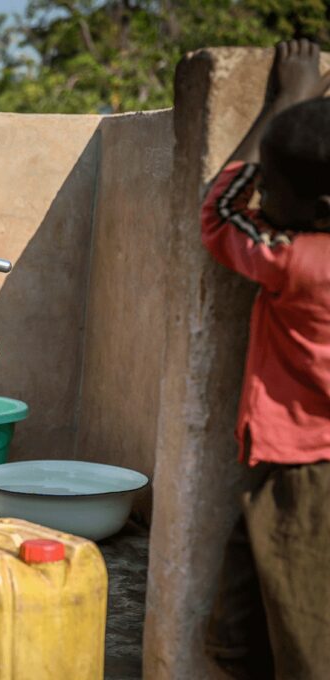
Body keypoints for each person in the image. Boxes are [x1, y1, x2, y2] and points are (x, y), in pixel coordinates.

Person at [201, 39, 330, 679]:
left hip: (304, 479)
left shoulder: (293, 260)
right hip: (298, 473)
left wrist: (288, 103)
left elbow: (219, 212)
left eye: (274, 188)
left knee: (303, 648)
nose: (265, 203)